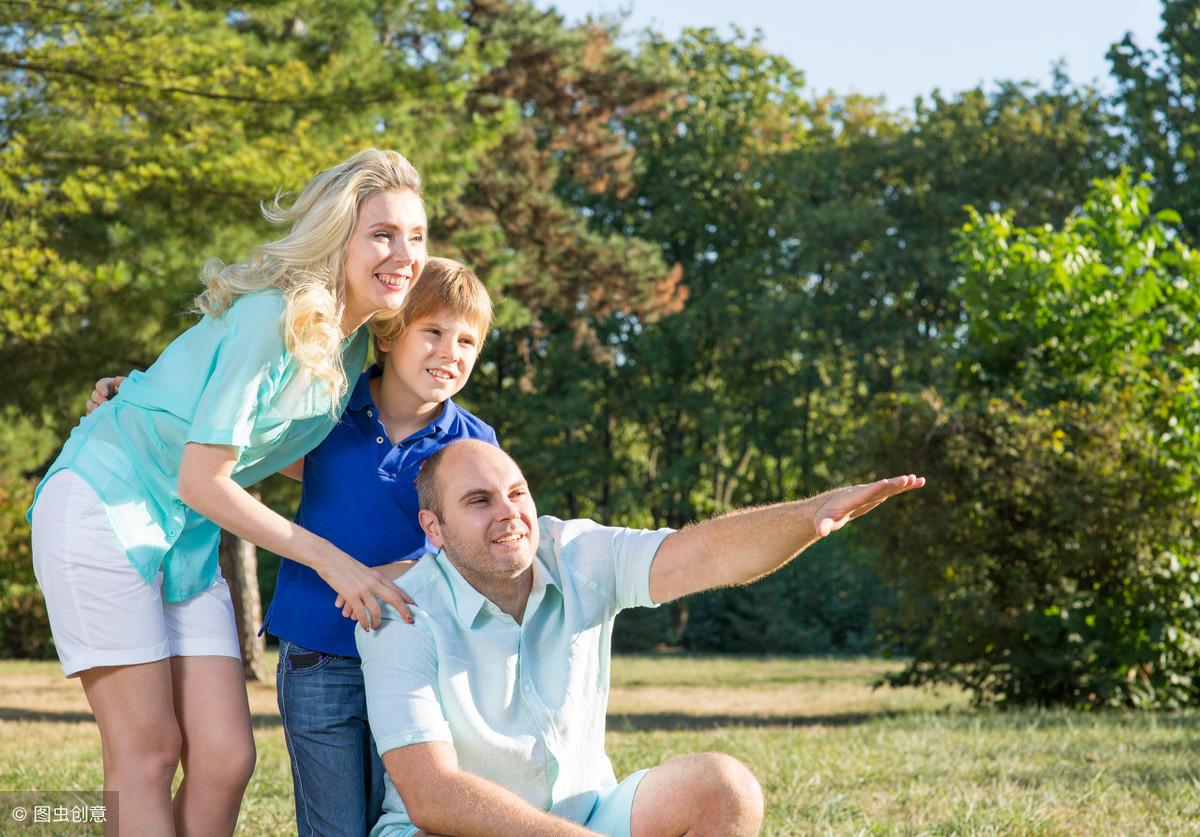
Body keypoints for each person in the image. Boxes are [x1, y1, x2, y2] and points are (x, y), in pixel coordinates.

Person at [31, 148, 425, 836]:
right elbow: (202, 474)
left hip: (185, 531)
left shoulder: (353, 346)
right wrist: (328, 556)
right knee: (149, 751)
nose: (405, 253)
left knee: (224, 756)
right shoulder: (271, 319)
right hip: (103, 503)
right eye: (383, 233)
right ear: (338, 237)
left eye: (417, 236)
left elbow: (285, 453)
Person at [86, 257, 498, 836]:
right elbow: (232, 429)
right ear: (389, 333)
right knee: (333, 827)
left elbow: (479, 552)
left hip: (411, 658)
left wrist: (389, 572)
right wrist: (133, 398)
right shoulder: (326, 403)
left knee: (402, 822)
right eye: (433, 331)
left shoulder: (474, 444)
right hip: (317, 654)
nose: (450, 351)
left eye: (467, 341)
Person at [356, 439, 925, 837]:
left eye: (518, 493)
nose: (510, 514)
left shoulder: (575, 551)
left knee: (724, 787)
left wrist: (811, 513)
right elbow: (432, 795)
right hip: (455, 831)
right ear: (434, 528)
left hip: (590, 815)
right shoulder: (398, 609)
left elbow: (703, 553)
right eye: (479, 501)